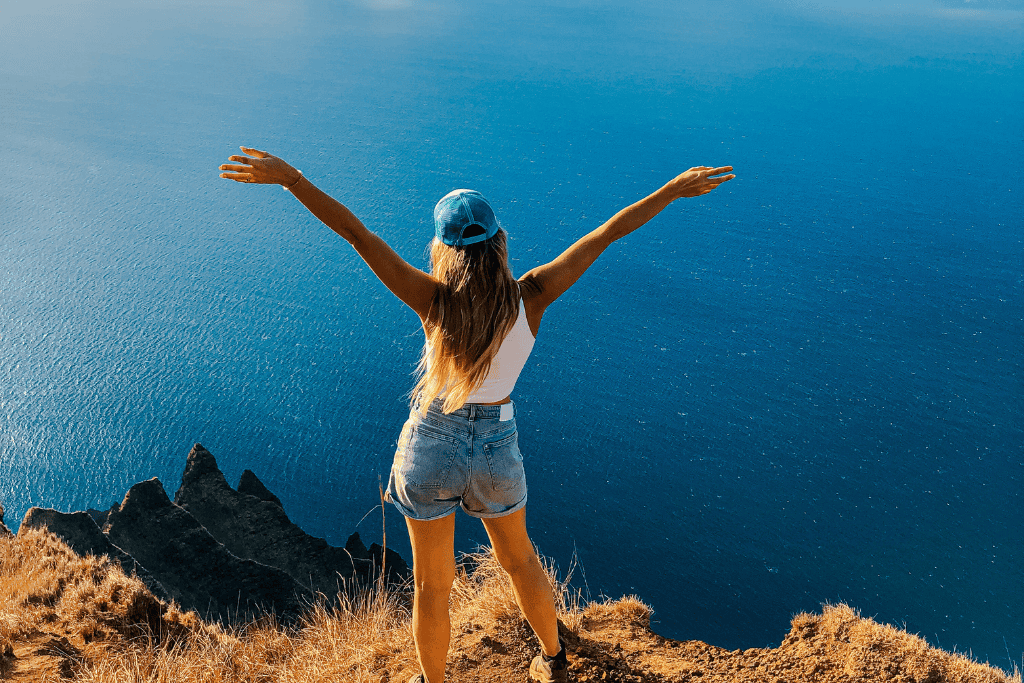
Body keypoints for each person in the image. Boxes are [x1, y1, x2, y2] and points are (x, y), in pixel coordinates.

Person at [219, 147, 734, 683]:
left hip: (429, 446)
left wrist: (293, 180)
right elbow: (606, 234)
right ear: (499, 241)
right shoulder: (531, 296)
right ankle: (554, 659)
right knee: (520, 560)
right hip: (496, 446)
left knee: (431, 585)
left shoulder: (432, 299)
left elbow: (358, 236)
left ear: (443, 249)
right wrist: (672, 190)